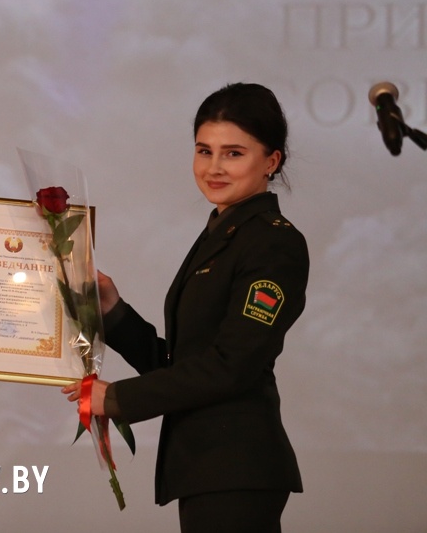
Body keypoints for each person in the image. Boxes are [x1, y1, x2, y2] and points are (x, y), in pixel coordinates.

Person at [64, 83, 307, 533]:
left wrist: (117, 399)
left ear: (271, 161)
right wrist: (113, 312)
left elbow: (232, 366)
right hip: (209, 468)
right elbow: (185, 362)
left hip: (237, 468)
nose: (214, 167)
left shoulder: (272, 242)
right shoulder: (223, 231)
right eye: (204, 150)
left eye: (233, 153)